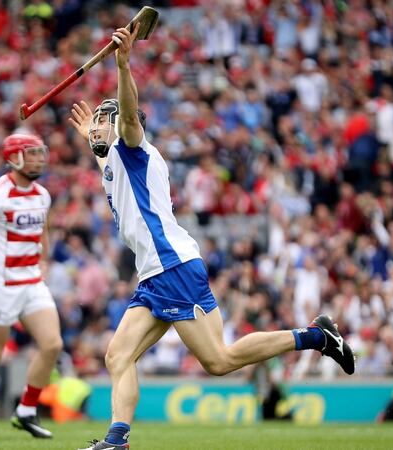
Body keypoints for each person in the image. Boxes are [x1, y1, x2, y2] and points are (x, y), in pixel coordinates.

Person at [67, 26, 355, 450]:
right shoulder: (112, 161)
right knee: (117, 356)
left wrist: (124, 65)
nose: (97, 128)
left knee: (219, 361)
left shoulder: (133, 146)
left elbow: (128, 116)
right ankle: (117, 440)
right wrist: (89, 133)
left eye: (103, 122)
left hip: (172, 266)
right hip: (156, 274)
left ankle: (316, 337)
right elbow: (105, 152)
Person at [0, 133, 63, 440]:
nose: (38, 159)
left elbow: (43, 231)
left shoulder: (42, 195)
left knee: (53, 345)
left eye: (40, 153)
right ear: (15, 158)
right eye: (31, 154)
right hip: (1, 285)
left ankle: (26, 411)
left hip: (31, 281)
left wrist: (44, 261)